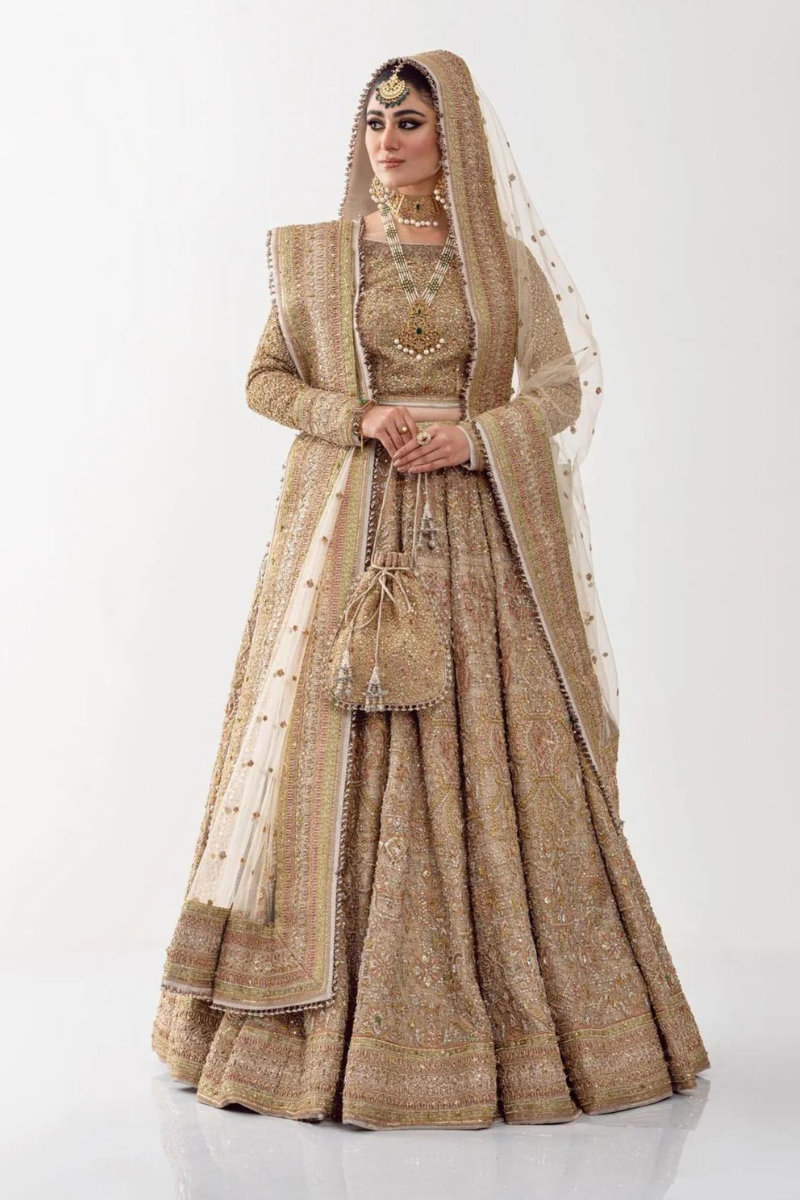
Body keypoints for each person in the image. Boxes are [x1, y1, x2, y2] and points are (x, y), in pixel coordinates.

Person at [151, 49, 710, 1130]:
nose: (387, 141)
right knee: (332, 742)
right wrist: (354, 416)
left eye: (409, 121)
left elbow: (559, 386)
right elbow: (264, 379)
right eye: (375, 121)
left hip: (475, 539)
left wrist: (474, 436)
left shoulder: (499, 266)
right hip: (346, 529)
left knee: (491, 740)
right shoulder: (318, 259)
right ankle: (303, 1025)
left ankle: (520, 1023)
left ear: (453, 135)